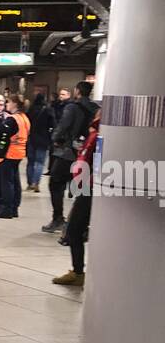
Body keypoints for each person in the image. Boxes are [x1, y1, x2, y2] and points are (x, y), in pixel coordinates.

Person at [43, 81, 97, 234]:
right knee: (82, 188)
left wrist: (55, 139)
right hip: (87, 154)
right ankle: (82, 223)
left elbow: (63, 126)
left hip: (67, 153)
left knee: (56, 183)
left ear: (77, 91)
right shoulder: (95, 109)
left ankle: (58, 218)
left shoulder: (72, 107)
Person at [54, 108, 100, 287]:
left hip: (90, 190)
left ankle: (79, 272)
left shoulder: (97, 137)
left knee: (74, 230)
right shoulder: (95, 134)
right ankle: (78, 270)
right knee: (75, 230)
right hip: (87, 188)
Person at [0, 92, 29, 218]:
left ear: (14, 104)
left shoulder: (12, 119)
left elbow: (4, 138)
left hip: (9, 154)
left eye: (8, 102)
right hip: (19, 153)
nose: (7, 104)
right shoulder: (24, 118)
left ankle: (6, 209)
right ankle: (14, 208)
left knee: (6, 183)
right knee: (15, 181)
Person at [25, 89, 54, 192]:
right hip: (43, 139)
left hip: (31, 138)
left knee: (30, 162)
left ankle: (29, 183)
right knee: (40, 163)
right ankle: (36, 183)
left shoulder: (31, 109)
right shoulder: (48, 110)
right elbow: (53, 125)